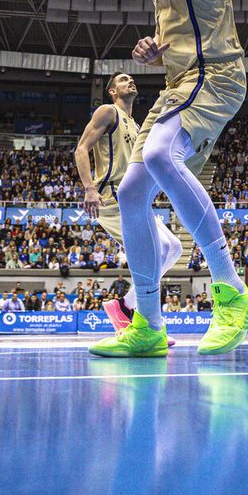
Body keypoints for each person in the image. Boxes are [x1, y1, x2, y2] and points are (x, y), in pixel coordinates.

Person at [82, 0, 248, 358]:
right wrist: (156, 50)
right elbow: (184, 33)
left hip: (215, 76)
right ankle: (148, 325)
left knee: (160, 154)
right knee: (130, 193)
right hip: (180, 82)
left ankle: (232, 293)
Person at [72, 72, 184, 341]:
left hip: (136, 196)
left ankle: (125, 305)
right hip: (113, 195)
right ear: (112, 91)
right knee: (154, 251)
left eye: (132, 79)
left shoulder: (136, 124)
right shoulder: (108, 111)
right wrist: (88, 189)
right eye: (123, 80)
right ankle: (147, 322)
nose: (130, 81)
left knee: (174, 248)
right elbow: (81, 149)